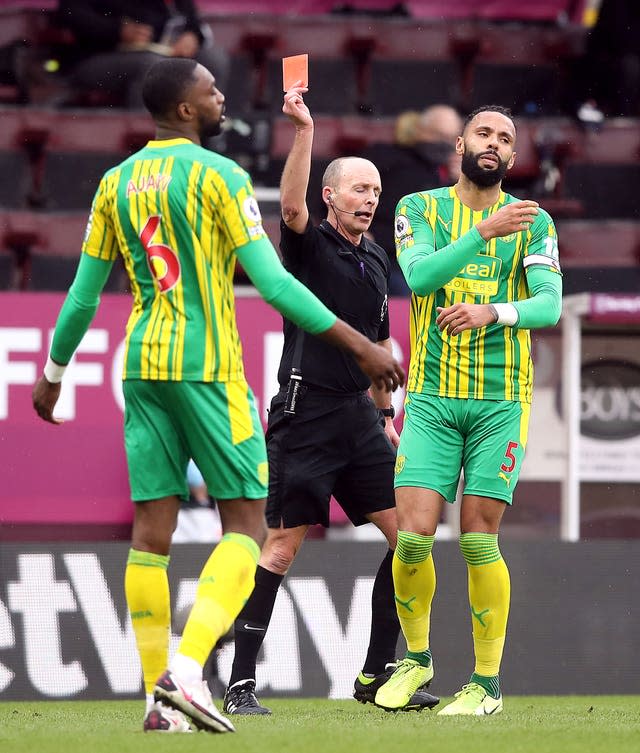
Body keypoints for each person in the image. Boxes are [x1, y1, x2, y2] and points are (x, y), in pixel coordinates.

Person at [32, 58, 404, 734]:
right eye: (210, 88)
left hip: (141, 363)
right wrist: (362, 345)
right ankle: (187, 667)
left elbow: (86, 293)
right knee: (246, 526)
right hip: (206, 366)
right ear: (183, 109)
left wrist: (54, 371)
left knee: (152, 535)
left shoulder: (114, 184)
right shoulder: (221, 176)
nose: (221, 95)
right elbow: (276, 284)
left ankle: (156, 699)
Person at [222, 82, 438, 717]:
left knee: (408, 541)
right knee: (283, 548)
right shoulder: (309, 243)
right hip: (305, 412)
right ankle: (239, 683)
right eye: (358, 189)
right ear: (330, 195)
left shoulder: (377, 258)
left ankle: (375, 675)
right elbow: (288, 207)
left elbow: (376, 343)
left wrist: (385, 416)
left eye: (375, 190)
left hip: (358, 420)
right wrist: (305, 132)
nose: (369, 198)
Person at [373, 105, 562, 716]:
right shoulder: (418, 208)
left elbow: (549, 306)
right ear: (460, 142)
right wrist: (483, 232)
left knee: (480, 539)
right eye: (484, 133)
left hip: (502, 399)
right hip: (431, 397)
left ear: (511, 158)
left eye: (506, 140)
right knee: (412, 538)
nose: (494, 144)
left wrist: (495, 311)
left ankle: (486, 684)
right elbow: (422, 278)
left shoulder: (534, 223)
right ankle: (417, 659)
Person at [362, 105, 462, 294]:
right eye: (439, 135)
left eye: (451, 138)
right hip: (380, 255)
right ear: (420, 130)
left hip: (425, 259)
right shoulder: (383, 157)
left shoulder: (449, 174)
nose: (445, 143)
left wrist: (460, 184)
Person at [56, 0, 230, 108]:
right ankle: (146, 149)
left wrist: (192, 36)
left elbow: (192, 19)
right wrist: (117, 31)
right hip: (96, 57)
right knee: (153, 66)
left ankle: (208, 148)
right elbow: (71, 14)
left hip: (160, 51)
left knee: (212, 60)